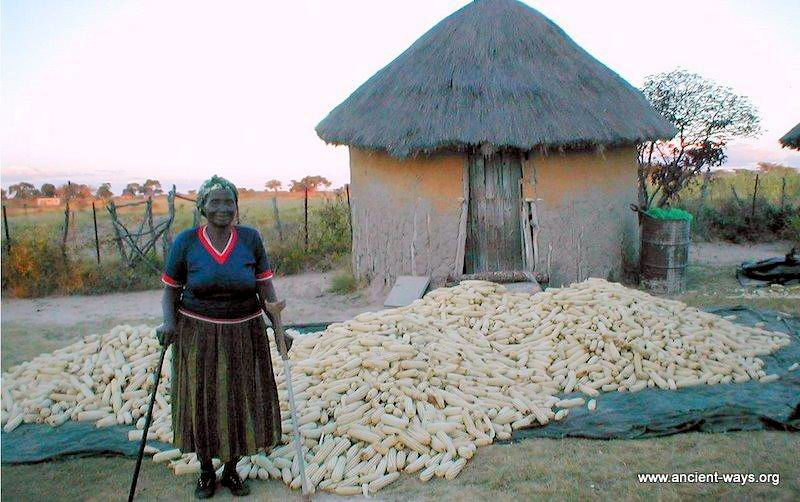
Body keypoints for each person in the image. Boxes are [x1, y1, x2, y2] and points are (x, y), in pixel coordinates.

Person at [156, 175, 291, 498]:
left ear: (236, 207)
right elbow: (169, 292)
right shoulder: (186, 242)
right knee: (202, 399)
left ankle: (231, 471)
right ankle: (205, 471)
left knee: (239, 399)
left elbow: (266, 289)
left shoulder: (250, 239)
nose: (222, 208)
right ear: (202, 206)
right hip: (199, 334)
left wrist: (279, 330)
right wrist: (168, 323)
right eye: (214, 202)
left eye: (228, 202)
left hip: (244, 332)